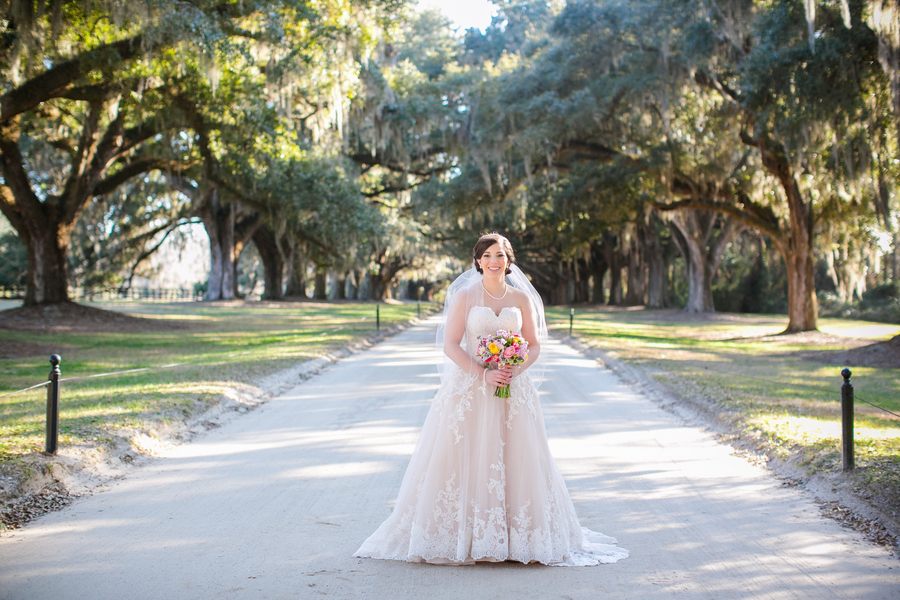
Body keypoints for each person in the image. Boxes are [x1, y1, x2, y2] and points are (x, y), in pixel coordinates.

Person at [354, 233, 628, 566]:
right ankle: (465, 537)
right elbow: (451, 345)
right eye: (487, 255)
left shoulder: (521, 299)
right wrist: (483, 374)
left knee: (518, 457)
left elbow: (534, 344)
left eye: (499, 255)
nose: (493, 261)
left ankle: (520, 539)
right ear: (478, 261)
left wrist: (515, 366)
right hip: (471, 388)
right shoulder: (465, 296)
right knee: (468, 457)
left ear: (508, 260)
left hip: (514, 389)